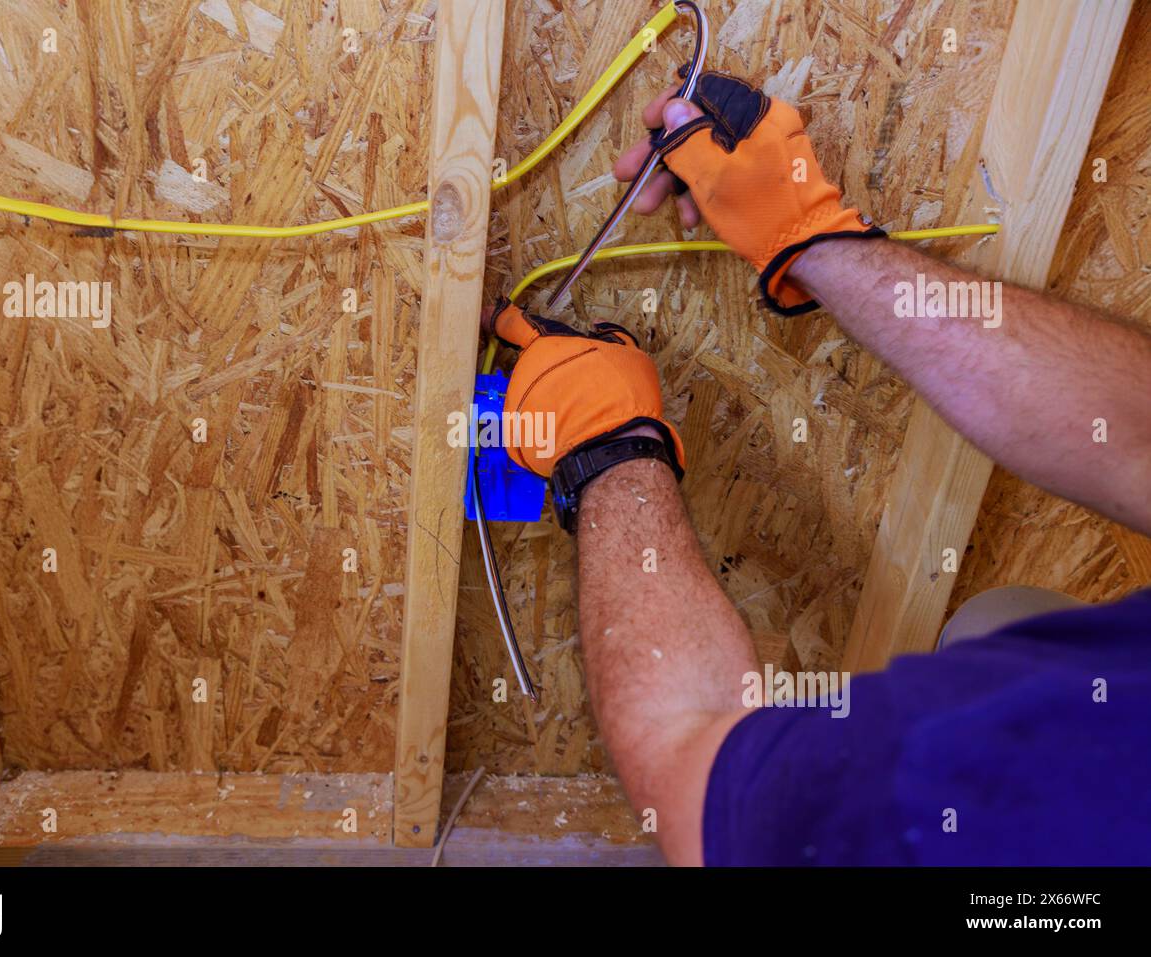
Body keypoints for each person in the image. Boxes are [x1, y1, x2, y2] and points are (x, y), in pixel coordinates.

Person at [484, 73, 1151, 866]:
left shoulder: (1063, 777)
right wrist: (812, 238)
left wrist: (610, 450)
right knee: (994, 620)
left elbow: (698, 773)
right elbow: (1134, 428)